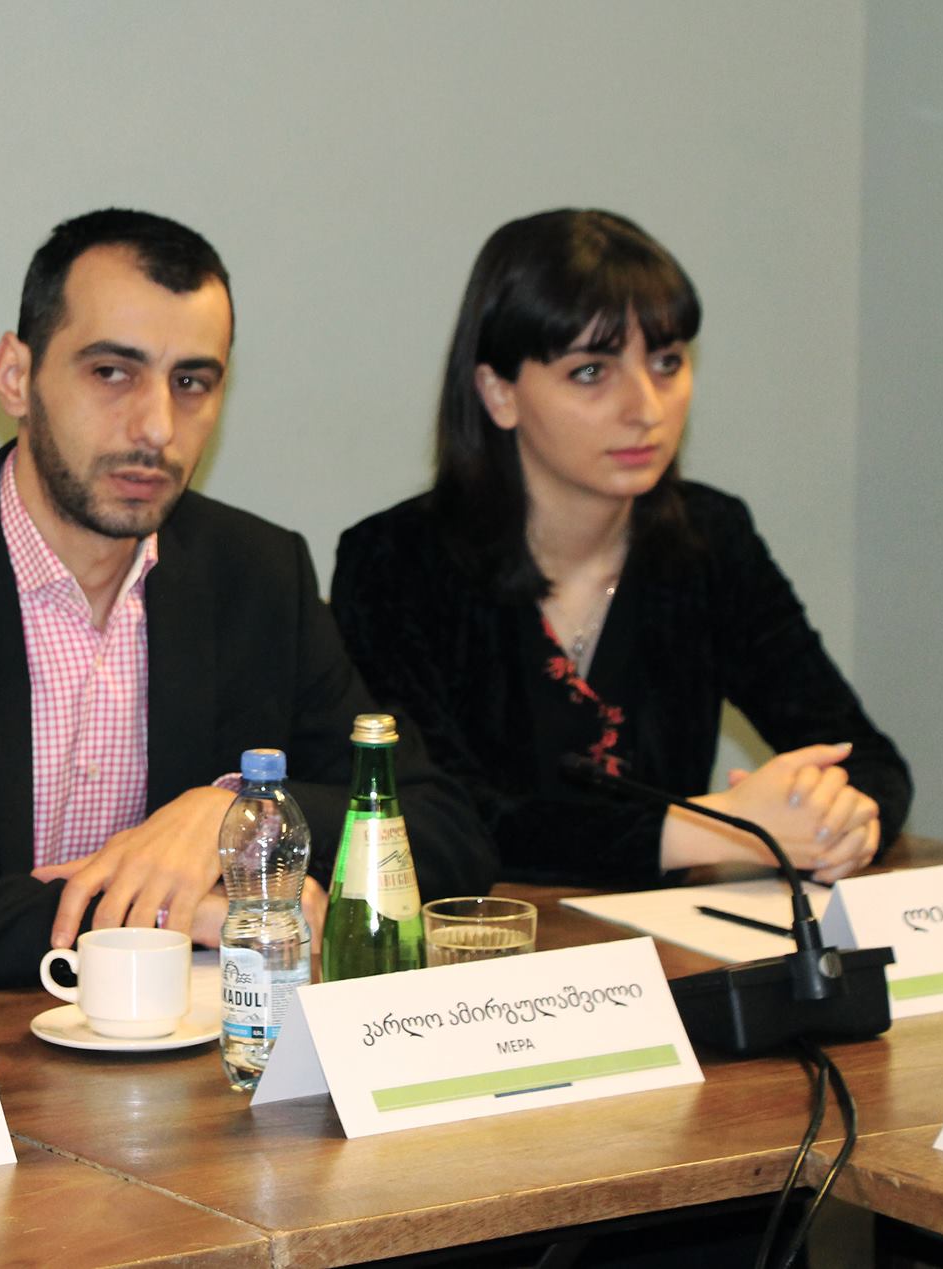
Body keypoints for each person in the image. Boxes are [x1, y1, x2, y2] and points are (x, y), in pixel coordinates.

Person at [0, 209, 492, 994]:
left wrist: (238, 818)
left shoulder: (259, 575)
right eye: (112, 372)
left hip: (198, 1050)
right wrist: (171, 915)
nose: (156, 428)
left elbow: (441, 828)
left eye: (191, 382)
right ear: (16, 377)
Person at [331, 209, 911, 888]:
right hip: (491, 943)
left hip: (675, 938)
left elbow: (865, 757)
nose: (646, 408)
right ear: (499, 392)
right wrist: (718, 828)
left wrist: (844, 817)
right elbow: (441, 818)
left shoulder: (710, 538)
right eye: (590, 372)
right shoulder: (394, 562)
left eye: (667, 364)